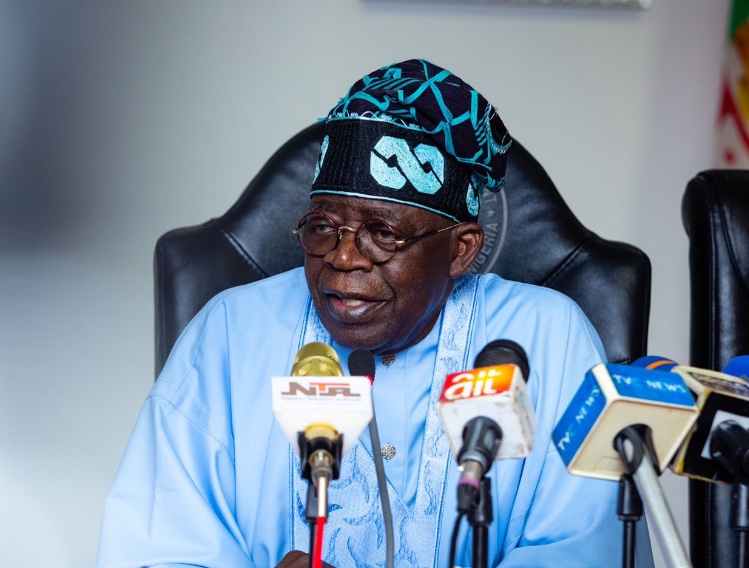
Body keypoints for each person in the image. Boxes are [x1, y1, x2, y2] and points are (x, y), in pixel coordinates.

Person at [97, 59, 648, 567]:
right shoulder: (230, 333)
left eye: (382, 234)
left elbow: (592, 549)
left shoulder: (547, 338)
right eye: (323, 228)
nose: (342, 257)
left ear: (460, 250)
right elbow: (155, 547)